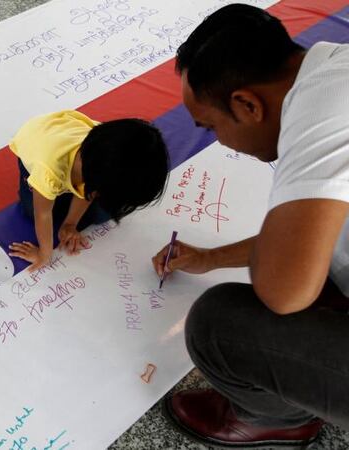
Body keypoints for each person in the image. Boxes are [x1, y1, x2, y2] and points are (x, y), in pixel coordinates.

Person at [152, 4, 349, 447]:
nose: (217, 141)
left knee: (219, 326)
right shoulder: (334, 65)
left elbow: (284, 289)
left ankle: (280, 419)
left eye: (210, 127)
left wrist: (282, 219)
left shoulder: (323, 120)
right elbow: (321, 231)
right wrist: (208, 257)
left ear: (246, 104)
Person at [7, 110, 169, 271]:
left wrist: (70, 224)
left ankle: (72, 199)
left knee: (102, 214)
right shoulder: (48, 170)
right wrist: (44, 253)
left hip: (73, 139)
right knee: (33, 210)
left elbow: (91, 188)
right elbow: (42, 214)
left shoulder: (105, 156)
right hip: (36, 141)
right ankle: (31, 189)